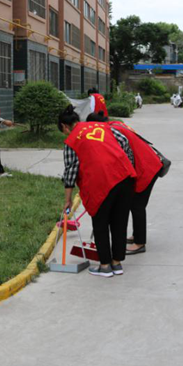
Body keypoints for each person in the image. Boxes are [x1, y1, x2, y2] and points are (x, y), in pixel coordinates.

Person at [59, 106, 137, 278]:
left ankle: (105, 266)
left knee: (100, 224)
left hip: (101, 183)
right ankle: (117, 263)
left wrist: (68, 199)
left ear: (65, 126)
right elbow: (124, 142)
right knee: (119, 223)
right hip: (125, 178)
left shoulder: (72, 140)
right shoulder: (102, 126)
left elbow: (71, 171)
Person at [107, 120, 163, 256]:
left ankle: (140, 243)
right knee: (135, 204)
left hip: (146, 168)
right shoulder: (116, 124)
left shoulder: (113, 132)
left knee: (137, 205)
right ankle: (136, 235)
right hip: (148, 162)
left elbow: (122, 157)